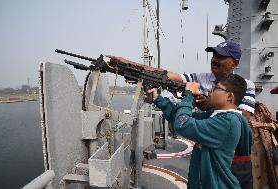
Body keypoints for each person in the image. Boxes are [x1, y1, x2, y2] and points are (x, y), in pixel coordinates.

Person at [107, 41, 256, 188]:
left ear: (234, 63)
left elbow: (241, 118)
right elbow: (166, 75)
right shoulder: (206, 89)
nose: (214, 59)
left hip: (231, 162)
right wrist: (125, 64)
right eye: (214, 55)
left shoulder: (241, 90)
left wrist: (191, 97)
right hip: (206, 167)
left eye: (221, 56)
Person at [146, 74, 253, 189]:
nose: (210, 91)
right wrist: (158, 99)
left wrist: (188, 95)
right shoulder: (216, 116)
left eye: (216, 88)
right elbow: (179, 117)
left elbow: (183, 124)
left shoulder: (228, 122)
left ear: (230, 97)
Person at [249, 102, 278, 189]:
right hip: (247, 156)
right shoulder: (233, 109)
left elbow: (276, 125)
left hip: (264, 153)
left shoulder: (259, 107)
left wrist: (261, 124)